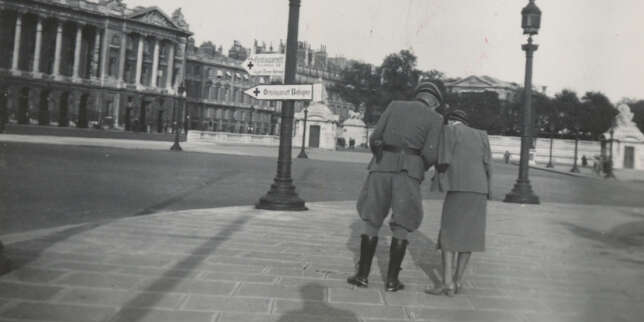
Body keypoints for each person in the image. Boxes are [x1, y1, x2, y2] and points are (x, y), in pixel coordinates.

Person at [348, 81, 444, 292]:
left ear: (418, 95)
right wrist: (418, 165)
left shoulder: (394, 105)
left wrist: (383, 158)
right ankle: (392, 281)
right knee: (402, 223)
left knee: (372, 219)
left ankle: (362, 276)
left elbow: (375, 138)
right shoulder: (436, 118)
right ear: (435, 103)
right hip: (409, 172)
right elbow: (430, 154)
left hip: (381, 167)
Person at [426, 109, 492, 296]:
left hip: (458, 188)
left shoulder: (449, 131)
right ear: (466, 122)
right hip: (479, 189)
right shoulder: (482, 135)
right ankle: (458, 281)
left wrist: (437, 177)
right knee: (469, 237)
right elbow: (488, 164)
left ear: (452, 121)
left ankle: (447, 284)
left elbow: (443, 159)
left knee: (449, 235)